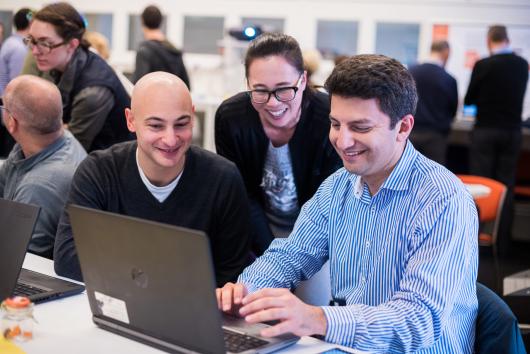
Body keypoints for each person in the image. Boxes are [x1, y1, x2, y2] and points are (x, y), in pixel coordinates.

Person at [217, 54, 479, 353]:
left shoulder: (443, 200)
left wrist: (318, 319)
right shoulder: (337, 186)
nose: (342, 141)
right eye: (335, 124)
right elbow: (289, 256)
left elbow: (417, 321)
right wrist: (244, 294)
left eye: (360, 127)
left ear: (403, 127)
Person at [54, 72, 250, 286]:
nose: (170, 139)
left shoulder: (223, 179)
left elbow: (233, 275)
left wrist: (131, 270)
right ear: (131, 120)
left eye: (181, 124)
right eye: (156, 126)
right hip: (117, 305)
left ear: (192, 118)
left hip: (192, 314)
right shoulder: (99, 171)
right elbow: (68, 259)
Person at [215, 33, 341, 256]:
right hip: (256, 234)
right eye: (260, 90)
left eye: (284, 89)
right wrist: (272, 255)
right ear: (248, 84)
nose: (273, 103)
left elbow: (329, 203)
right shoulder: (231, 119)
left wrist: (292, 259)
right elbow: (242, 195)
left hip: (320, 236)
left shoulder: (330, 118)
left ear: (303, 80)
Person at [26, 2, 132, 152]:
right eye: (32, 41)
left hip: (107, 169)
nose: (35, 51)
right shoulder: (58, 64)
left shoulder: (93, 91)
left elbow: (70, 149)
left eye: (44, 43)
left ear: (72, 45)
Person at [0, 75, 86, 259]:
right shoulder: (53, 140)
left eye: (3, 105)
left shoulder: (38, 187)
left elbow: (16, 260)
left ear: (12, 122)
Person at [464, 25, 528, 255]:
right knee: (506, 185)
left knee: (480, 185)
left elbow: (470, 98)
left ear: (490, 41)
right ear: (507, 39)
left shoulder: (484, 65)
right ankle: (502, 243)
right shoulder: (522, 65)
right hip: (512, 131)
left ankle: (473, 239)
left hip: (486, 130)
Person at [409, 40, 458, 165]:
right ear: (446, 53)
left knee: (407, 172)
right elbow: (453, 109)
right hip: (436, 136)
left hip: (410, 133)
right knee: (434, 176)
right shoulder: (448, 79)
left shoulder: (410, 73)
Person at [131, 5, 190, 88]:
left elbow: (138, 87)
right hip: (173, 100)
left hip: (152, 100)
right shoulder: (174, 51)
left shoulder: (144, 51)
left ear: (142, 21)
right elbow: (186, 86)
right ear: (161, 21)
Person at [0, 8, 32, 96]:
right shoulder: (19, 48)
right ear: (31, 23)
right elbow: (18, 84)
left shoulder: (10, 41)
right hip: (11, 103)